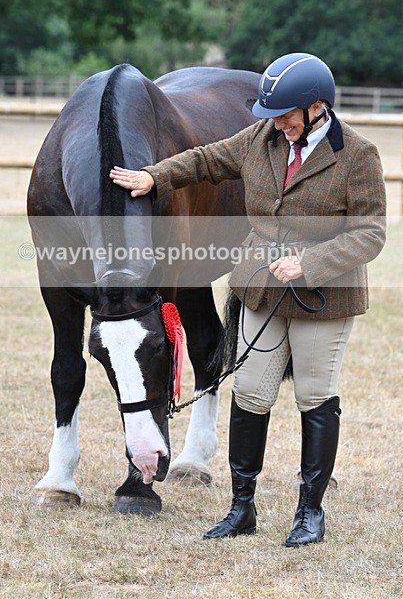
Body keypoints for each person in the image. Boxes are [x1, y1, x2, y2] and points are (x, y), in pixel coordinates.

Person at [109, 52, 386, 546]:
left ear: (318, 107)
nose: (278, 124)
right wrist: (155, 176)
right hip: (260, 286)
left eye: (286, 115)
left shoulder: (358, 156)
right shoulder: (261, 138)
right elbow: (205, 160)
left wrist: (311, 264)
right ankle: (242, 508)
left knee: (314, 397)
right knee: (252, 393)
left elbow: (370, 234)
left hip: (325, 294)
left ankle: (309, 512)